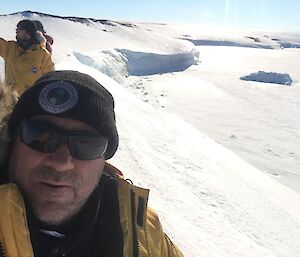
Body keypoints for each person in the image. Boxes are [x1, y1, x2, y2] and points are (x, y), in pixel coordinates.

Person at [0, 70, 184, 257]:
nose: (62, 162)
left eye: (86, 145)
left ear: (103, 160)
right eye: (41, 137)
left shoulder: (143, 231)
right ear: (11, 142)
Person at [0, 19, 54, 96]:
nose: (16, 31)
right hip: (10, 99)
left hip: (30, 99)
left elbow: (49, 78)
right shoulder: (10, 48)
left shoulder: (42, 54)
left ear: (28, 32)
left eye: (19, 29)